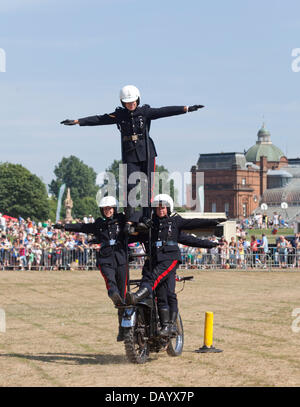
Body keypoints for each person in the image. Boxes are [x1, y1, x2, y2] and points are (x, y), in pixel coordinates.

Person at [60, 85, 204, 219]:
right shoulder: (119, 115)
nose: (131, 104)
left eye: (133, 101)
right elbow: (100, 119)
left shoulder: (145, 112)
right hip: (130, 154)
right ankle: (131, 218)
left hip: (147, 152)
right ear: (123, 103)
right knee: (129, 187)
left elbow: (164, 111)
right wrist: (78, 121)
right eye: (128, 102)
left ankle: (147, 217)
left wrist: (186, 108)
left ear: (137, 100)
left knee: (148, 188)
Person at [125, 194, 225, 337]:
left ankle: (139, 299)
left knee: (159, 285)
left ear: (169, 208)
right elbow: (133, 235)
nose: (161, 210)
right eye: (158, 208)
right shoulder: (150, 224)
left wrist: (213, 223)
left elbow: (193, 225)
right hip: (153, 260)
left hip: (169, 258)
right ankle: (163, 326)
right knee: (162, 294)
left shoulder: (175, 221)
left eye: (163, 207)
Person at [54, 196, 138, 342]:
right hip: (106, 258)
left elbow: (136, 215)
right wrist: (64, 226)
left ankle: (123, 328)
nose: (108, 211)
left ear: (114, 208)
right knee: (111, 284)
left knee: (124, 296)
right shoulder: (99, 224)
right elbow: (83, 227)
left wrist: (129, 221)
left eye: (110, 208)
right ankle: (113, 293)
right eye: (105, 209)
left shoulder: (122, 219)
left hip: (121, 258)